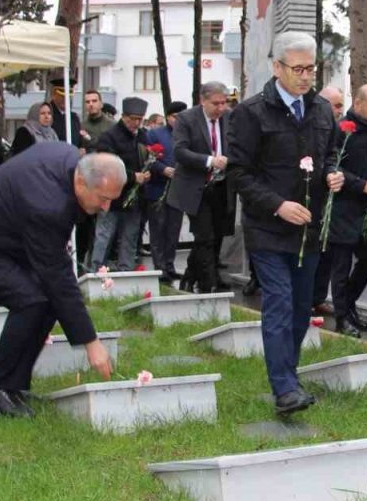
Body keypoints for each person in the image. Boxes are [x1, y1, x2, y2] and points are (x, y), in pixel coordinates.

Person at [0, 149, 121, 416]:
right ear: (81, 182)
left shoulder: (71, 164)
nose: (106, 208)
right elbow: (57, 276)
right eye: (103, 199)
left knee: (45, 301)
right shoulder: (48, 206)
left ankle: (12, 388)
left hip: (1, 242)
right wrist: (91, 343)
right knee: (32, 300)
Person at [227, 32, 344, 416]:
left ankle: (289, 378)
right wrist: (278, 205)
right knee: (277, 302)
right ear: (277, 67)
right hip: (267, 227)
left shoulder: (322, 110)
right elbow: (240, 174)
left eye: (311, 68)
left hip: (307, 228)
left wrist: (332, 175)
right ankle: (283, 388)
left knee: (298, 307)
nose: (306, 76)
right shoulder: (250, 113)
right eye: (298, 69)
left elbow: (328, 157)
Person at [324, 84, 367, 338]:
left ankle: (349, 305)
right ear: (358, 104)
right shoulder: (340, 130)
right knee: (341, 266)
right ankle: (341, 317)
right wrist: (362, 185)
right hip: (343, 207)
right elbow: (332, 165)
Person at [168, 85, 235, 292]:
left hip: (222, 186)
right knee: (205, 236)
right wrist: (209, 161)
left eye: (224, 103)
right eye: (216, 103)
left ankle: (191, 275)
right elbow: (180, 151)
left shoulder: (229, 118)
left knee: (217, 235)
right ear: (202, 101)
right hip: (197, 187)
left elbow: (236, 144)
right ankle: (209, 284)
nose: (221, 108)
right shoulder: (187, 119)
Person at [93, 97, 150, 271]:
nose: (136, 123)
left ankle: (126, 270)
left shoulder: (142, 135)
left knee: (130, 237)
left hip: (135, 197)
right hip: (112, 196)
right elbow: (107, 166)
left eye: (140, 119)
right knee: (105, 235)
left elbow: (147, 158)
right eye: (133, 119)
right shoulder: (109, 137)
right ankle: (96, 271)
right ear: (123, 116)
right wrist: (134, 177)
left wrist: (148, 172)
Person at [311, 84, 345, 315]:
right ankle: (307, 298)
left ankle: (318, 297)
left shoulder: (342, 130)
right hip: (314, 197)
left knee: (327, 253)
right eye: (337, 105)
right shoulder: (313, 126)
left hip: (335, 199)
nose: (340, 110)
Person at [145, 101, 186, 282]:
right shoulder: (155, 134)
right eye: (175, 117)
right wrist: (163, 169)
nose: (178, 120)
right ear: (168, 117)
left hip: (178, 189)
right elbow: (148, 158)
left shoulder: (186, 134)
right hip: (158, 188)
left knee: (173, 229)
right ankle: (159, 266)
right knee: (158, 229)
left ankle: (169, 265)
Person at [46, 80, 84, 147]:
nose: (66, 99)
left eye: (69, 96)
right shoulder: (47, 116)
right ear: (54, 95)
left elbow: (79, 140)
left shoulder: (74, 118)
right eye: (62, 96)